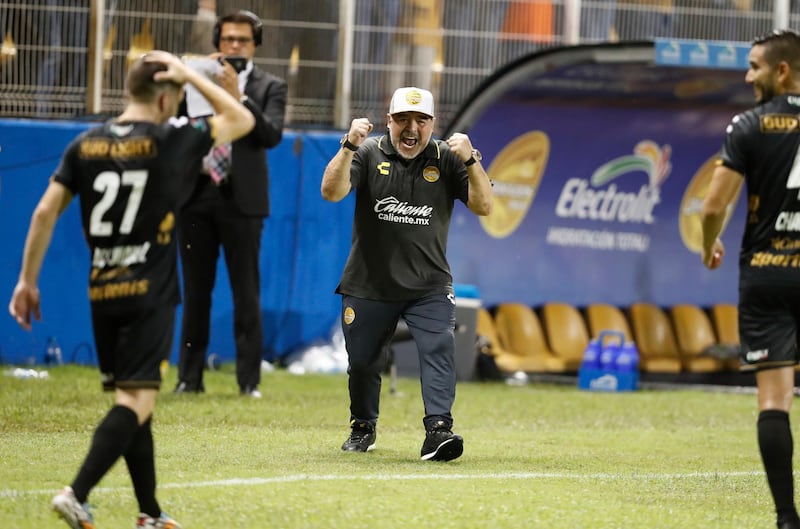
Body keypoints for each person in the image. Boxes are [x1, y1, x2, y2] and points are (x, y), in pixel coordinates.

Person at [8, 51, 253, 529]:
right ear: (166, 97)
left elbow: (42, 214)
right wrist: (190, 76)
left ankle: (150, 513)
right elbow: (240, 118)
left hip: (102, 291)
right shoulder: (172, 139)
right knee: (135, 401)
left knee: (136, 398)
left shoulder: (84, 145)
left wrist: (26, 280)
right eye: (177, 96)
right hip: (150, 292)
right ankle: (75, 493)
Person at [320, 86, 493, 461]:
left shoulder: (448, 158)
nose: (411, 129)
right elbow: (331, 192)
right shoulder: (367, 152)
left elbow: (484, 206)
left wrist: (471, 161)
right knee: (363, 362)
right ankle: (363, 426)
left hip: (428, 285)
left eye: (420, 120)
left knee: (438, 349)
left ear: (433, 123)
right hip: (368, 283)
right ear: (389, 121)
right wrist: (347, 145)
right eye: (402, 120)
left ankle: (438, 432)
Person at [701, 30, 800, 529]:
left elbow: (714, 204)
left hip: (767, 274)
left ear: (782, 70)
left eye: (755, 66)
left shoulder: (750, 125)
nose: (748, 76)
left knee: (774, 401)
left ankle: (786, 518)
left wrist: (707, 243)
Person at [173, 10, 287, 398]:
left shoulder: (270, 85)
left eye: (242, 40)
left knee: (246, 292)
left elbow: (271, 135)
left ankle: (248, 382)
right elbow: (176, 126)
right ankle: (189, 378)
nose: (234, 46)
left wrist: (238, 98)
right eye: (227, 40)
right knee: (195, 290)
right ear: (217, 43)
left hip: (243, 198)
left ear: (255, 45)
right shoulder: (195, 80)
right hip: (196, 192)